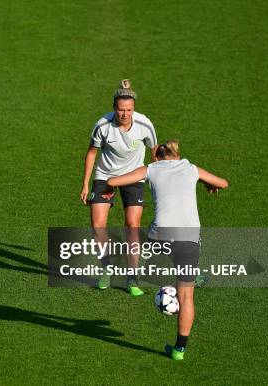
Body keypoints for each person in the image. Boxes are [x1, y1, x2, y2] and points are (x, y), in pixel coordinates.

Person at [106, 140, 229, 360]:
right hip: (189, 238)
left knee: (140, 243)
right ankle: (179, 350)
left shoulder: (151, 169)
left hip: (160, 235)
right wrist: (206, 183)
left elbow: (114, 180)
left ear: (157, 156)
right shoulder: (191, 169)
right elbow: (223, 183)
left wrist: (109, 186)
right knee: (186, 296)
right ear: (176, 155)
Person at [80, 79, 157, 295]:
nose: (125, 114)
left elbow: (154, 150)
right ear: (114, 108)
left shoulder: (144, 125)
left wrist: (158, 176)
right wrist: (86, 184)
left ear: (134, 109)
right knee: (97, 224)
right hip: (105, 175)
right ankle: (106, 268)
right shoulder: (102, 125)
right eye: (121, 110)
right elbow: (92, 152)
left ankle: (132, 277)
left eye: (129, 110)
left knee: (132, 224)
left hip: (133, 176)